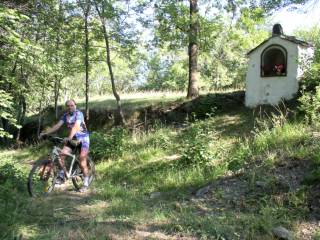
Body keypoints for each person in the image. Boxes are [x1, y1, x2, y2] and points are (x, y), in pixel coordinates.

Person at [40, 99, 90, 192]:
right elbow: (57, 126)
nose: (70, 107)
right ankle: (63, 174)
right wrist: (46, 133)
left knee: (82, 159)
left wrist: (69, 137)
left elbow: (76, 126)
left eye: (72, 105)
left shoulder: (79, 114)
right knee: (61, 156)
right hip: (72, 139)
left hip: (83, 138)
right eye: (68, 106)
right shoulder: (65, 116)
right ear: (66, 107)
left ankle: (86, 182)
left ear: (75, 105)